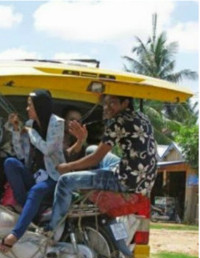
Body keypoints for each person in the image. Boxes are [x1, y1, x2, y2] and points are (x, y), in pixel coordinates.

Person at [45, 94, 157, 236]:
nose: (107, 107)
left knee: (65, 181)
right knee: (90, 148)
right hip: (145, 180)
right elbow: (94, 153)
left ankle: (52, 230)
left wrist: (67, 168)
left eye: (113, 103)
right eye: (105, 103)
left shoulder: (118, 121)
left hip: (126, 180)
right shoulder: (142, 117)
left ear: (125, 103)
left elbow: (96, 158)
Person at [0, 89, 65, 252]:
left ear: (39, 107)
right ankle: (28, 208)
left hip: (53, 176)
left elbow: (48, 149)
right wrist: (15, 131)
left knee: (36, 190)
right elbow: (21, 153)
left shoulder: (57, 123)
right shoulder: (29, 125)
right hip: (35, 174)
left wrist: (32, 133)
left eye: (30, 105)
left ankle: (14, 236)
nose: (27, 109)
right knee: (10, 163)